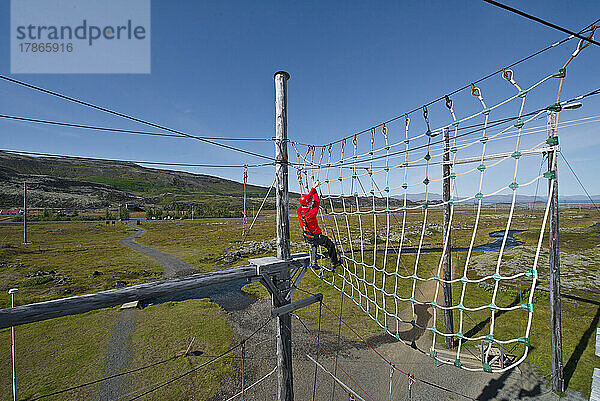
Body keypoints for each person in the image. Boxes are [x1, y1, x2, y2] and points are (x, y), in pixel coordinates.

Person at [297, 180, 342, 269]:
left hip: (307, 236)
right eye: (310, 202)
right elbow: (317, 202)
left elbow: (308, 200)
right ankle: (334, 262)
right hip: (316, 236)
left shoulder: (299, 211)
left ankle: (313, 261)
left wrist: (313, 188)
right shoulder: (312, 213)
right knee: (330, 245)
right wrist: (315, 191)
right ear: (309, 203)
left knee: (313, 244)